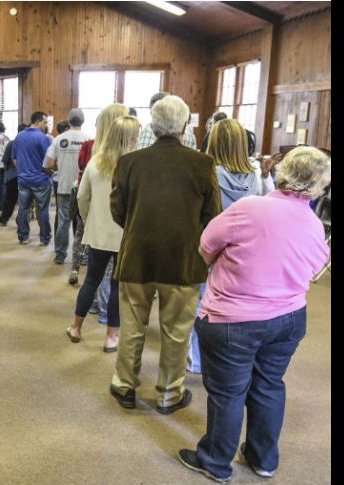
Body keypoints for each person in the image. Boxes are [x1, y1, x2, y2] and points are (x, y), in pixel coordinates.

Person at [178, 147, 330, 483]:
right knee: (269, 385)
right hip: (288, 319)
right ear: (319, 185)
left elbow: (206, 246)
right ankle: (263, 459)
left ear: (282, 171)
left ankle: (215, 461)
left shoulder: (250, 207)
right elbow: (316, 266)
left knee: (228, 392)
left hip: (234, 319)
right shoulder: (313, 223)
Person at [109, 95, 221, 414]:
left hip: (137, 256)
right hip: (183, 261)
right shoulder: (202, 164)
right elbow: (213, 215)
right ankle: (170, 393)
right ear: (184, 127)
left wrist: (138, 227)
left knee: (132, 327)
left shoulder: (129, 162)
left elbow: (117, 210)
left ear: (153, 126)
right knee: (177, 331)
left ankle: (124, 385)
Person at [186, 118, 281, 374]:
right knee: (235, 304)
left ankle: (197, 359)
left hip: (209, 247)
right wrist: (266, 175)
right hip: (244, 251)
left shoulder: (206, 174)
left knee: (202, 302)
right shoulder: (255, 176)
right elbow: (268, 205)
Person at [65, 115, 141, 352]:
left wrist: (90, 220)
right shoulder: (137, 165)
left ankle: (76, 327)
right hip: (126, 234)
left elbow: (82, 196)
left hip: (99, 233)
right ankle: (111, 337)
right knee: (118, 286)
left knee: (91, 280)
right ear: (131, 138)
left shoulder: (96, 162)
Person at [69, 103, 129, 286]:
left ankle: (75, 269)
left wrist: (88, 217)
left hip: (92, 209)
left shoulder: (92, 149)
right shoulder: (130, 158)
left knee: (92, 265)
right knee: (111, 275)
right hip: (114, 222)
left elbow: (82, 173)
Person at [46, 109, 90, 265]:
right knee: (84, 222)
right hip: (84, 187)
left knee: (63, 221)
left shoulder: (59, 139)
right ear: (82, 121)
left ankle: (60, 254)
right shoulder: (89, 139)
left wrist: (60, 168)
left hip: (64, 186)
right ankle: (82, 256)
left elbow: (49, 163)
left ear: (69, 121)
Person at [13, 111, 52, 245]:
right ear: (38, 122)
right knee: (43, 210)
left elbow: (15, 159)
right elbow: (48, 161)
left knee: (23, 209)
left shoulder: (19, 137)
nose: (46, 125)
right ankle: (44, 239)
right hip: (40, 179)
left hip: (23, 180)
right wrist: (48, 173)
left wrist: (21, 171)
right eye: (45, 122)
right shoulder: (43, 138)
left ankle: (23, 237)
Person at [0, 123, 28, 226]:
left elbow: (5, 160)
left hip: (12, 175)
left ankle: (4, 219)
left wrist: (7, 171)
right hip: (26, 175)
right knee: (24, 200)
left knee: (9, 199)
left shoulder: (11, 143)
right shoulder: (28, 143)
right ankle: (20, 220)